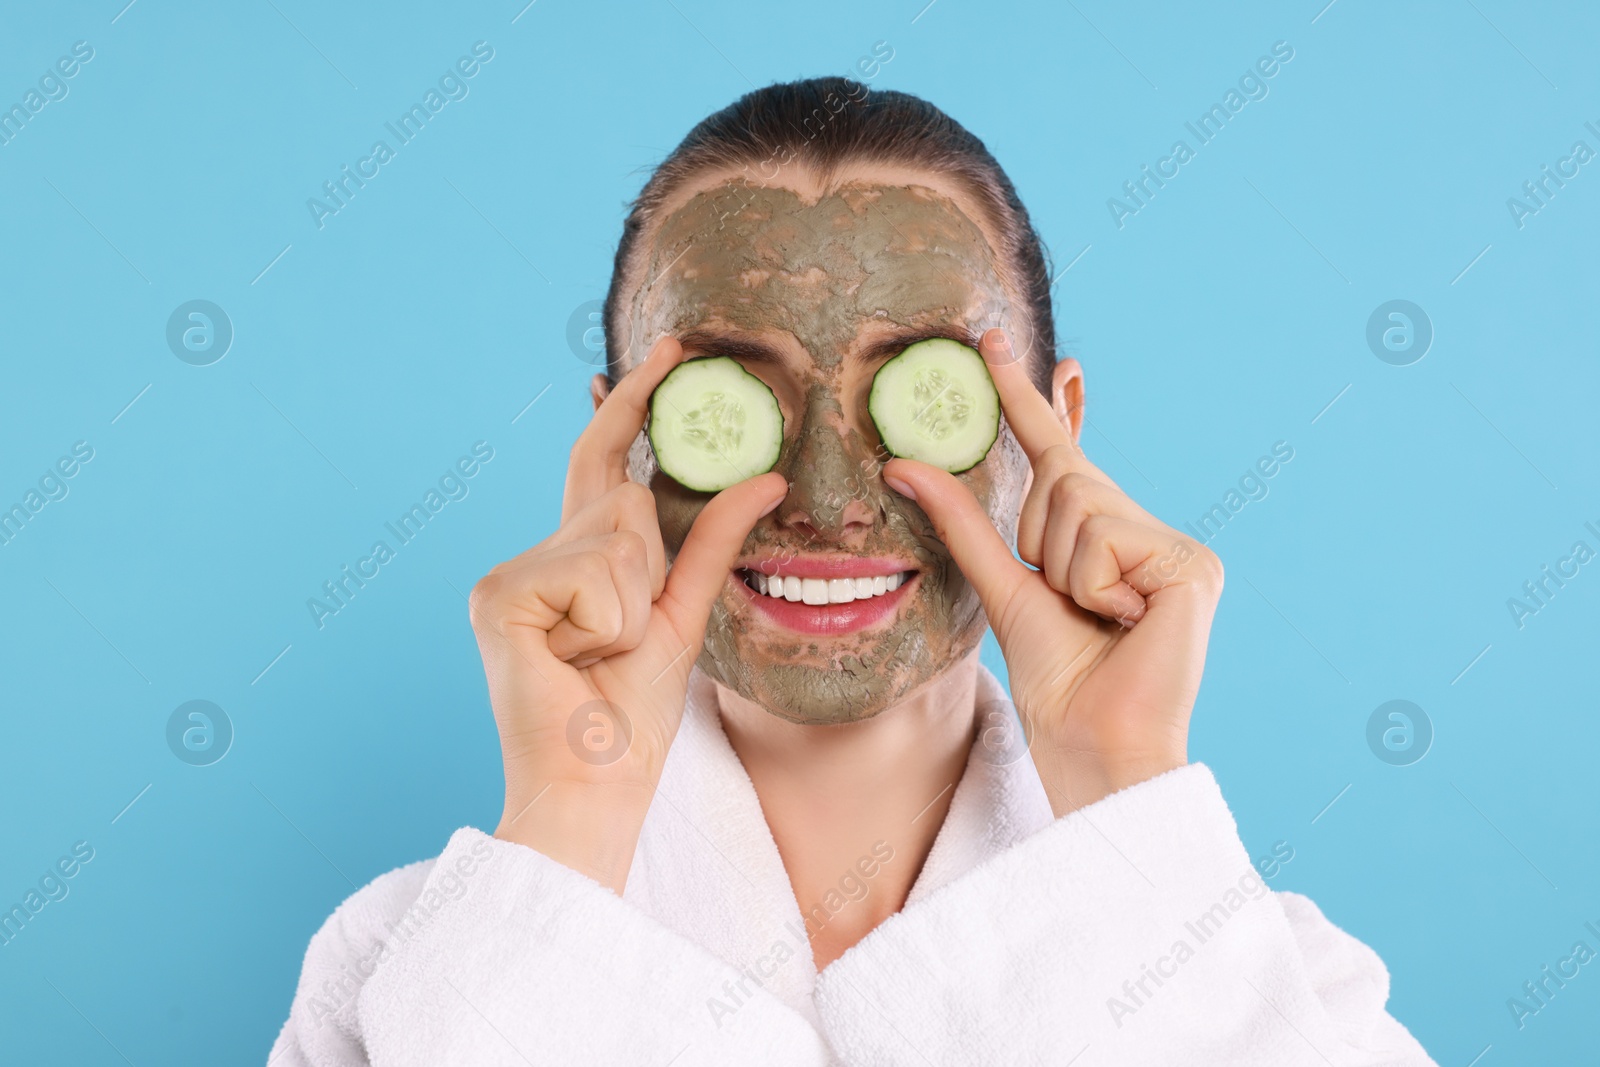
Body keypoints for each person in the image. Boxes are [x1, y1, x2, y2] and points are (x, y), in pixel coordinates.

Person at [269, 78, 1437, 1065]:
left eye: (923, 391)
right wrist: (570, 812)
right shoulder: (399, 970)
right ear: (621, 447)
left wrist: (1126, 790)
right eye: (732, 400)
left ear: (1052, 430)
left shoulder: (1285, 984)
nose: (829, 499)